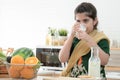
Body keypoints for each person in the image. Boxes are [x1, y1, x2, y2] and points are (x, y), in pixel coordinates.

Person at [59, 2, 110, 79]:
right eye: (78, 21)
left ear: (95, 20)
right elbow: (62, 59)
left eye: (85, 21)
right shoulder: (75, 38)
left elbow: (104, 61)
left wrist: (88, 39)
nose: (82, 24)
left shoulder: (100, 38)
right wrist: (71, 35)